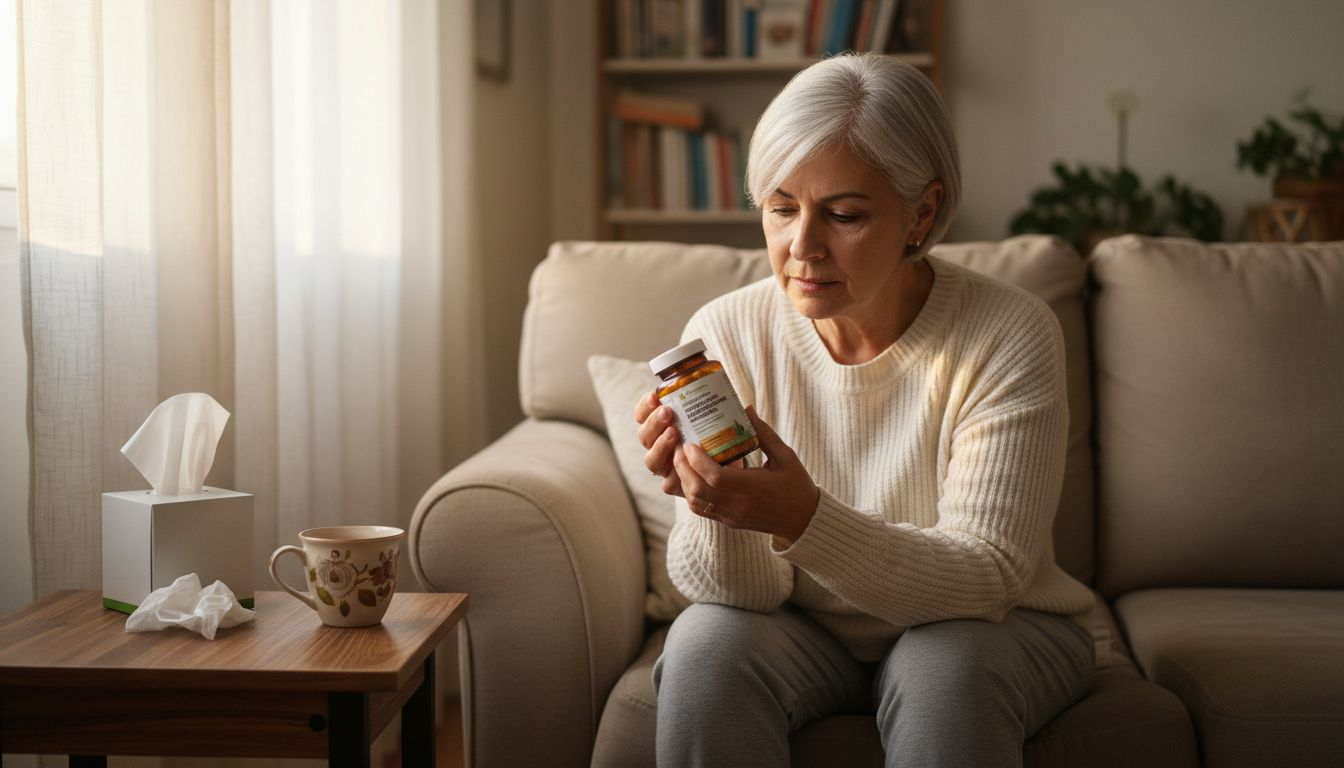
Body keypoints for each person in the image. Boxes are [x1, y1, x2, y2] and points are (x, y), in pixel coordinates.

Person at [633, 53, 1096, 768]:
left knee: (946, 671)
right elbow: (742, 595)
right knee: (703, 647)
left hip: (994, 624)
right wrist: (720, 505)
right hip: (801, 632)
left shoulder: (1008, 331)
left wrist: (801, 515)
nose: (802, 247)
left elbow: (988, 574)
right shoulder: (727, 333)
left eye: (844, 214)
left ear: (924, 212)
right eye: (782, 208)